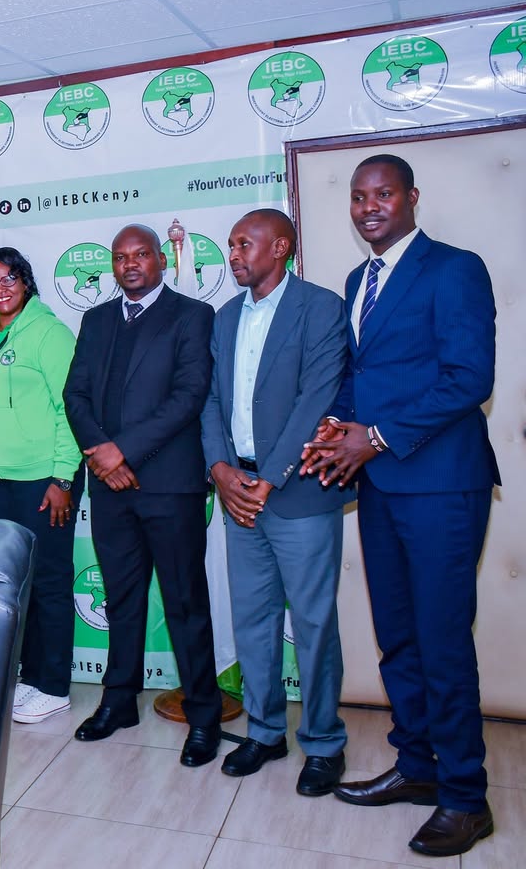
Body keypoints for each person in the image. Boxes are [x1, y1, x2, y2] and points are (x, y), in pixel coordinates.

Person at [301, 154, 498, 858]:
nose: (368, 207)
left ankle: (466, 798)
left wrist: (377, 436)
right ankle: (418, 767)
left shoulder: (455, 268)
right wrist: (337, 423)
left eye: (382, 194)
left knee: (442, 640)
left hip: (441, 484)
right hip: (380, 487)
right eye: (358, 197)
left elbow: (469, 377)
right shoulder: (359, 281)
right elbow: (364, 378)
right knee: (400, 638)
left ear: (412, 197)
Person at [200, 209, 351, 795]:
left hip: (299, 492)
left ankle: (324, 742)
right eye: (231, 244)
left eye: (245, 244)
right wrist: (220, 470)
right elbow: (212, 400)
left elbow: (316, 397)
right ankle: (264, 732)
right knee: (253, 620)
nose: (234, 254)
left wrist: (270, 477)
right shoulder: (225, 316)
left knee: (313, 623)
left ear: (281, 247)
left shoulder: (320, 307)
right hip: (239, 491)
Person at [63, 223, 220, 766]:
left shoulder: (193, 315)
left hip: (170, 486)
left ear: (160, 260)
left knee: (185, 603)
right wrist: (104, 458)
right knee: (122, 600)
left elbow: (189, 396)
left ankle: (204, 715)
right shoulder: (96, 319)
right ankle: (119, 701)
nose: (129, 264)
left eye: (141, 255)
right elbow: (75, 395)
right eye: (120, 257)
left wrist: (121, 452)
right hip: (111, 489)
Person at [0, 248, 83, 722]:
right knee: (21, 583)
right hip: (0, 481)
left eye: (9, 278)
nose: (0, 288)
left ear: (26, 282)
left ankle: (54, 686)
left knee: (50, 581)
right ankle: (30, 677)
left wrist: (63, 476)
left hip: (43, 479)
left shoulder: (49, 333)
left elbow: (69, 409)